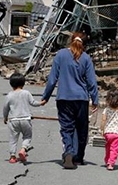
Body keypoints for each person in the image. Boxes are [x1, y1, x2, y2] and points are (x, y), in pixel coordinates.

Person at [41, 32, 99, 169]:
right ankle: (78, 157)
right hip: (81, 99)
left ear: (71, 40)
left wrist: (46, 97)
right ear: (84, 44)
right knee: (81, 129)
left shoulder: (60, 55)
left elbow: (52, 80)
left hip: (64, 98)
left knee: (67, 128)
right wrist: (95, 99)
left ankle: (68, 151)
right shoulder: (86, 58)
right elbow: (92, 82)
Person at [3, 73, 45, 164]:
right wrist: (41, 103)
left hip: (13, 120)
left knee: (13, 138)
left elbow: (5, 108)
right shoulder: (26, 93)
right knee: (27, 136)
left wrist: (5, 117)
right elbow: (33, 102)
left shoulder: (9, 95)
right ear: (23, 83)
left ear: (11, 84)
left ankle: (12, 156)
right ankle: (23, 149)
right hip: (25, 119)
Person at [100, 88, 118, 171]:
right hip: (117, 133)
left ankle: (107, 159)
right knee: (114, 149)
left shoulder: (106, 109)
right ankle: (111, 163)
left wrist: (102, 129)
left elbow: (103, 120)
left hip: (108, 132)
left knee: (108, 146)